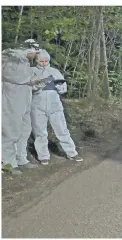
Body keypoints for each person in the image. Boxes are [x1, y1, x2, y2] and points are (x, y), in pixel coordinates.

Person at [30, 50, 83, 165]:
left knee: (62, 130)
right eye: (41, 61)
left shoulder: (55, 71)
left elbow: (63, 87)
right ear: (37, 60)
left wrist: (60, 87)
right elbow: (31, 87)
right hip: (37, 106)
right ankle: (43, 156)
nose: (44, 63)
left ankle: (72, 153)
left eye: (46, 61)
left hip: (55, 106)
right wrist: (44, 82)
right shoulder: (32, 71)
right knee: (40, 132)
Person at [2, 39, 46, 175]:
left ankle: (21, 158)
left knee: (25, 129)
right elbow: (10, 76)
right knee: (11, 130)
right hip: (11, 99)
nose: (36, 56)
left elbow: (25, 79)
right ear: (30, 49)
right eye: (36, 53)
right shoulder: (11, 57)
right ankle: (7, 162)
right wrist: (31, 80)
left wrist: (35, 83)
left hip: (25, 99)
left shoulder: (24, 59)